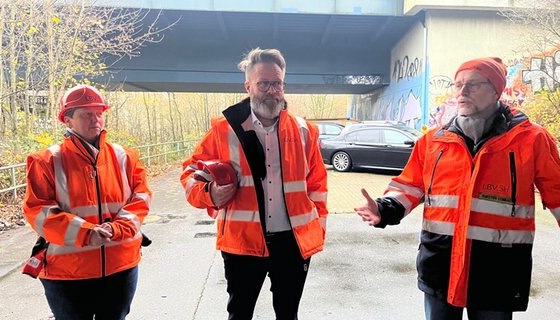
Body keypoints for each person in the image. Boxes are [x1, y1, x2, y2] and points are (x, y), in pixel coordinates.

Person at [355, 57, 560, 320]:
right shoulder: (432, 141)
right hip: (440, 264)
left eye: (473, 85)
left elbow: (556, 192)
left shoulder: (531, 140)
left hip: (498, 270)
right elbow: (409, 186)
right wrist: (384, 209)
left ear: (496, 89)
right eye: (458, 84)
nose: (462, 92)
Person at [180, 47, 328, 320]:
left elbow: (317, 184)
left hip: (293, 242)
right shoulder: (223, 130)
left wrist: (318, 228)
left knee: (288, 314)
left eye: (277, 83)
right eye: (264, 84)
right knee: (240, 314)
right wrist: (210, 194)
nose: (272, 90)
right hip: (242, 244)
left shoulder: (306, 130)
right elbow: (190, 174)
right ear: (248, 85)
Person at [23, 84, 152, 319]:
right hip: (68, 274)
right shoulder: (45, 161)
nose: (96, 119)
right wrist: (86, 232)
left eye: (99, 113)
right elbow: (38, 212)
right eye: (87, 114)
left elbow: (141, 200)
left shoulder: (125, 157)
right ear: (67, 120)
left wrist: (116, 229)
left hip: (119, 267)